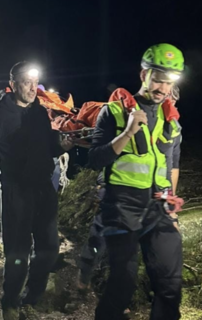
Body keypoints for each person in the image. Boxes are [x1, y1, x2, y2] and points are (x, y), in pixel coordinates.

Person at [0, 61, 73, 320]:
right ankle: (10, 302)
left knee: (49, 248)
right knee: (17, 253)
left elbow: (48, 147)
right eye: (26, 82)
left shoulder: (38, 112)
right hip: (16, 192)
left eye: (35, 83)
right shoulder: (1, 115)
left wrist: (62, 146)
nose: (33, 88)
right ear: (13, 84)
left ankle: (32, 295)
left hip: (43, 189)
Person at [88, 44, 185, 320]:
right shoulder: (113, 112)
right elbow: (95, 159)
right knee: (123, 284)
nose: (163, 88)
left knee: (169, 285)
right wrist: (128, 132)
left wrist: (172, 209)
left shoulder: (171, 120)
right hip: (121, 207)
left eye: (169, 81)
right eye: (158, 79)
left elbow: (170, 166)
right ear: (144, 74)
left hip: (158, 209)